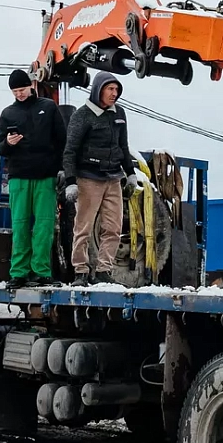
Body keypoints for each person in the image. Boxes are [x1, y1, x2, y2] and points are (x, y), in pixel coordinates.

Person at [62, 70, 143, 285]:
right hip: (88, 177)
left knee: (113, 227)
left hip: (113, 177)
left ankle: (103, 271)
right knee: (84, 227)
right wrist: (71, 182)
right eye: (110, 89)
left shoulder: (119, 113)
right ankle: (80, 271)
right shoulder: (82, 115)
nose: (114, 93)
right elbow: (69, 151)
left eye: (116, 89)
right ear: (99, 89)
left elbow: (123, 146)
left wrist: (131, 174)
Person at [0, 69, 67, 287]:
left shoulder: (48, 107)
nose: (19, 94)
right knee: (20, 226)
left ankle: (41, 271)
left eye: (22, 89)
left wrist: (61, 170)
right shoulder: (8, 113)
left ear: (31, 85)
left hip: (45, 176)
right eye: (15, 91)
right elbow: (0, 147)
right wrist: (9, 143)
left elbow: (61, 140)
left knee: (44, 226)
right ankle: (18, 272)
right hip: (19, 177)